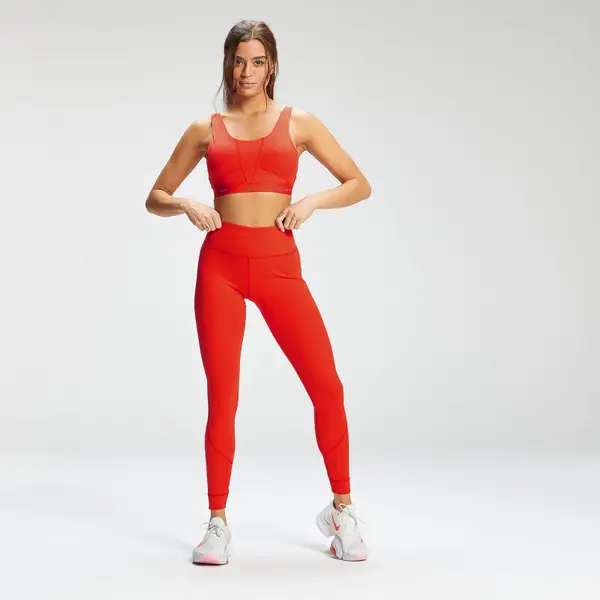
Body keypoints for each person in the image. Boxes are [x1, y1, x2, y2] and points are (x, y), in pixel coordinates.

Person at [145, 20, 372, 565]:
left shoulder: (299, 123)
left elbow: (358, 183)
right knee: (223, 397)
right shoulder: (205, 129)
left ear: (272, 66)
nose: (246, 72)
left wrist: (311, 202)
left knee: (327, 386)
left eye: (257, 61)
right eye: (238, 60)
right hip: (220, 268)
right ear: (228, 64)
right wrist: (187, 204)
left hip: (278, 267)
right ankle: (217, 522)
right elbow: (155, 196)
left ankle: (341, 510)